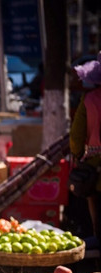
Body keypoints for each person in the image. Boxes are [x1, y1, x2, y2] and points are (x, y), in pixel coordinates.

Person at [70, 51, 101, 242]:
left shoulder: (89, 100)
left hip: (96, 170)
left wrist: (79, 155)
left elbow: (76, 137)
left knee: (99, 224)